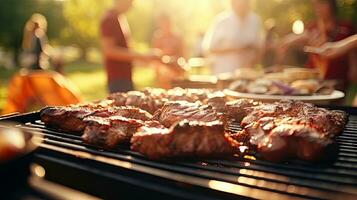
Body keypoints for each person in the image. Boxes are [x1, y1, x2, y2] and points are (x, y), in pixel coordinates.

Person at [277, 0, 355, 91]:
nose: (318, 9)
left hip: (339, 75)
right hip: (315, 79)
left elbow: (352, 50)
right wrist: (288, 42)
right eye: (315, 5)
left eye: (322, 4)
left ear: (331, 5)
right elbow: (299, 38)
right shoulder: (312, 27)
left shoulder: (346, 26)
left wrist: (354, 67)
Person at [100, 0, 160, 93]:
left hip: (125, 76)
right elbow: (109, 51)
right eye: (130, 2)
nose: (132, 5)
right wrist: (142, 56)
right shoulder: (109, 19)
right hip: (117, 78)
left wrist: (140, 60)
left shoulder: (120, 18)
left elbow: (123, 49)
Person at [203, 0, 262, 75]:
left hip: (247, 74)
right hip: (224, 73)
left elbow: (259, 47)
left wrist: (253, 62)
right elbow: (210, 48)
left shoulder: (255, 20)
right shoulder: (222, 21)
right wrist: (238, 49)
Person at [151, 13, 184, 88]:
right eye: (162, 23)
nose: (165, 25)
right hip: (162, 71)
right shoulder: (157, 37)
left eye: (167, 23)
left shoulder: (177, 37)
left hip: (176, 69)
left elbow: (183, 55)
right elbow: (154, 55)